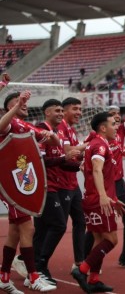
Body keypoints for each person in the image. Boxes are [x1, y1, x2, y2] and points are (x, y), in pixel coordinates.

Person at [0, 90, 58, 293]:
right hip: (10, 184)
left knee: (15, 232)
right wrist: (17, 106)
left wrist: (53, 137)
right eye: (18, 102)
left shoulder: (27, 126)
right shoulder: (8, 123)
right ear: (9, 107)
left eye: (24, 101)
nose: (24, 103)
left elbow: (52, 142)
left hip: (21, 182)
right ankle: (33, 277)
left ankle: (4, 277)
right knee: (28, 228)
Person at [84, 77, 125, 270]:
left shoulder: (120, 132)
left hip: (118, 183)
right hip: (103, 185)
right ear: (104, 120)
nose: (117, 116)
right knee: (96, 228)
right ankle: (86, 260)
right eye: (112, 114)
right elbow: (88, 151)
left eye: (118, 113)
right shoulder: (96, 137)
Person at [71, 112, 125, 293]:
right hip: (97, 200)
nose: (116, 126)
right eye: (113, 124)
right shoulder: (100, 145)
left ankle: (94, 280)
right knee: (111, 240)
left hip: (93, 198)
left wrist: (112, 198)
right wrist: (103, 196)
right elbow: (96, 170)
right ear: (103, 128)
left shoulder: (98, 144)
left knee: (99, 239)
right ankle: (82, 270)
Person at [33, 99, 82, 286]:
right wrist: (65, 157)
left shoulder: (54, 132)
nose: (61, 114)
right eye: (57, 110)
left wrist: (78, 165)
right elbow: (41, 161)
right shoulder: (42, 131)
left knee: (42, 229)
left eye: (62, 110)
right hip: (47, 186)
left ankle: (34, 267)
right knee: (58, 225)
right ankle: (40, 265)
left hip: (55, 185)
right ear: (47, 112)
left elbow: (61, 161)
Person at [58, 97, 87, 272]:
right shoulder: (61, 127)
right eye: (75, 109)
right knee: (55, 225)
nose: (79, 112)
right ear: (65, 110)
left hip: (72, 183)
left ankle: (79, 261)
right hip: (60, 184)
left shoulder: (72, 129)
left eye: (80, 109)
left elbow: (76, 154)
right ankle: (29, 259)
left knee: (80, 221)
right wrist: (90, 145)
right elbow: (69, 152)